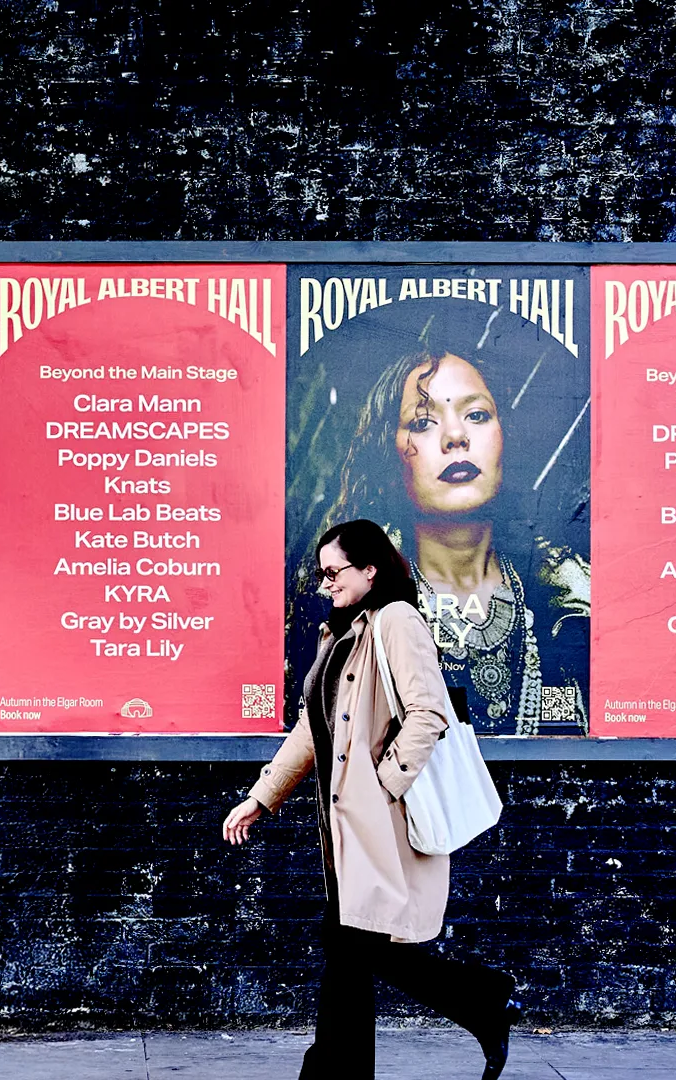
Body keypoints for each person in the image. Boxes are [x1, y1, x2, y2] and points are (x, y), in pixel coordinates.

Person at [223, 519, 520, 1080]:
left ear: (370, 569)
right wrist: (262, 797)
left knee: (357, 946)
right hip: (346, 827)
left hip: (379, 823)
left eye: (334, 572)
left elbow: (429, 711)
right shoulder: (343, 632)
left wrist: (383, 787)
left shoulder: (396, 622)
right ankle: (482, 1003)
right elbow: (313, 730)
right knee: (354, 948)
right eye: (322, 575)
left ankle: (472, 1006)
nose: (325, 584)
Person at [323, 343, 589, 735]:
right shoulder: (356, 607)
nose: (456, 436)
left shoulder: (565, 605)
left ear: (505, 439)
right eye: (422, 422)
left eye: (476, 415)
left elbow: (569, 738)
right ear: (388, 454)